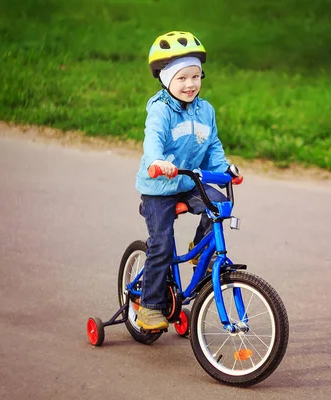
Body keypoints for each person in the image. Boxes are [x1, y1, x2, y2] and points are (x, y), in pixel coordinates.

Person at [134, 31, 230, 330]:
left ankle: (200, 248)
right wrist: (157, 162)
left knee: (220, 204)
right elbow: (153, 141)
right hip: (159, 187)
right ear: (166, 80)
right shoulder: (161, 110)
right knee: (161, 244)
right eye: (181, 78)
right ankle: (149, 307)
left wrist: (225, 169)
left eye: (196, 76)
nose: (190, 84)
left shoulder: (206, 110)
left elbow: (212, 145)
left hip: (188, 183)